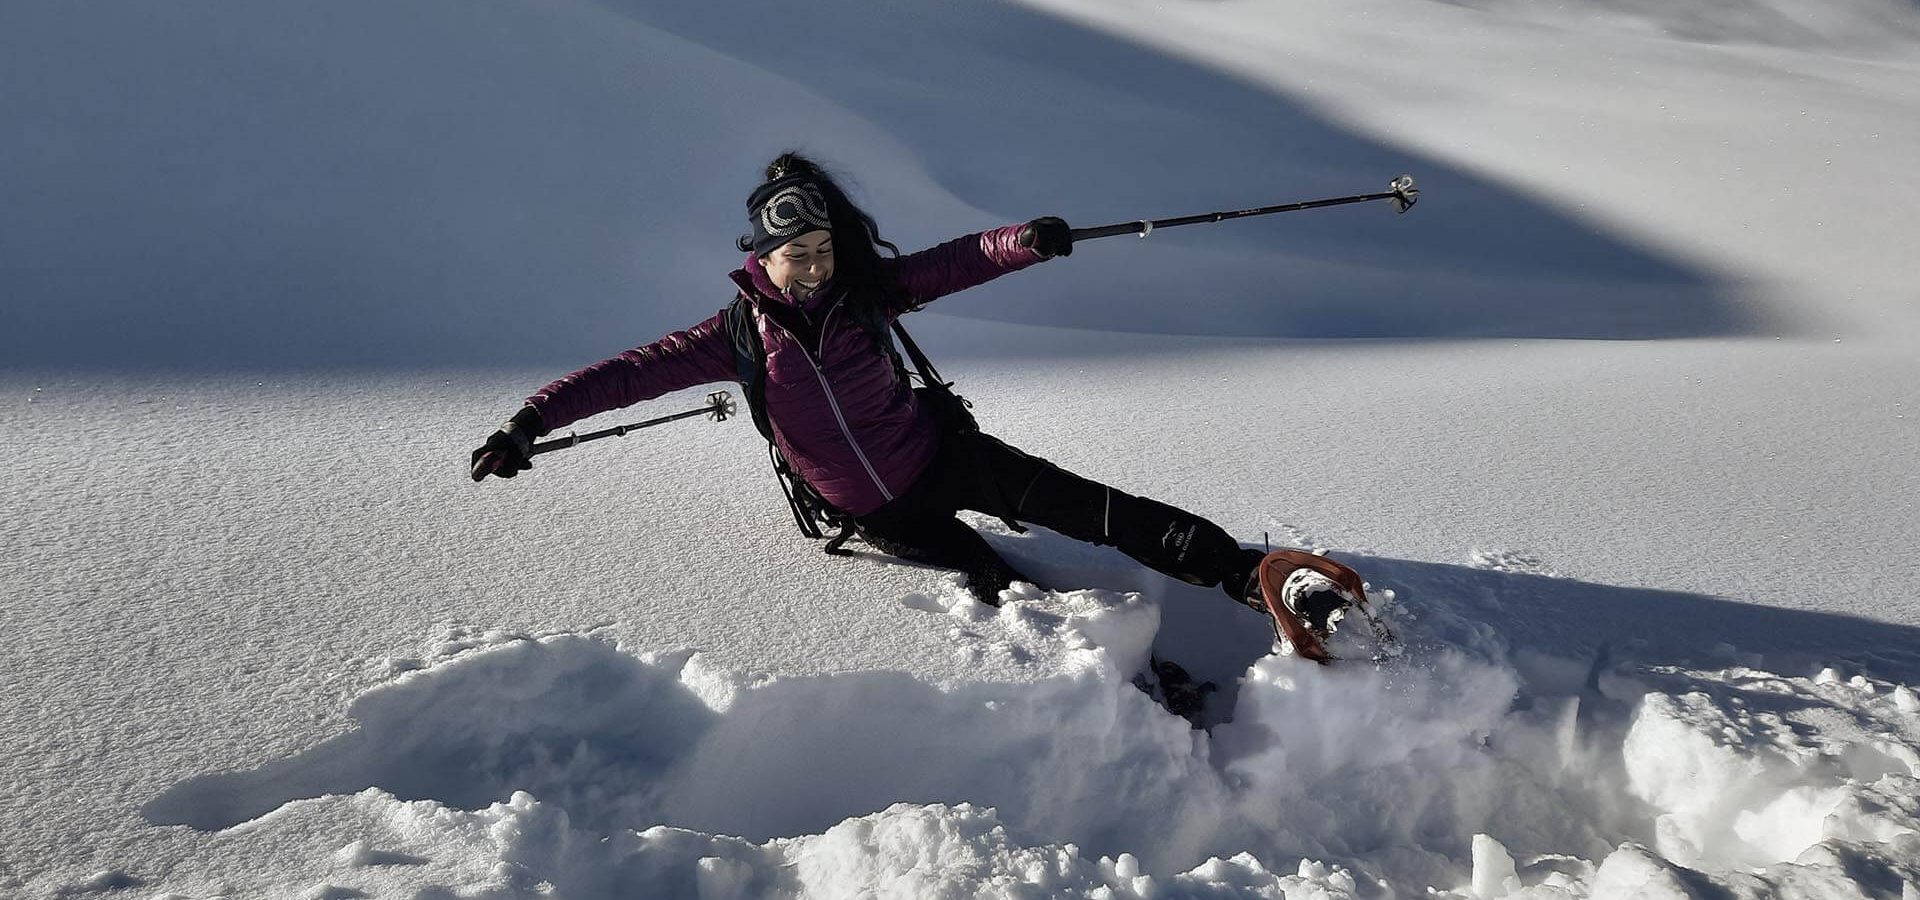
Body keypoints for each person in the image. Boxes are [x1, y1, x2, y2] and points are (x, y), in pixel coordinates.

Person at [473, 151, 1360, 661]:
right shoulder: (733, 336)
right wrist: (529, 423)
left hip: (940, 452)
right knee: (993, 581)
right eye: (796, 252)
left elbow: (958, 259)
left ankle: (1246, 575)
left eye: (823, 246)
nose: (814, 264)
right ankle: (1133, 687)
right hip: (870, 507)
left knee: (1090, 508)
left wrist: (1028, 241)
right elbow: (623, 374)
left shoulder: (867, 295)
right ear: (760, 256)